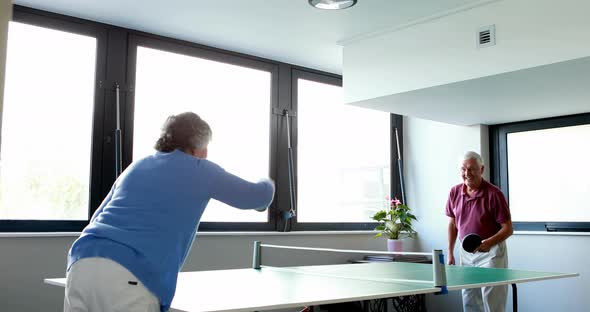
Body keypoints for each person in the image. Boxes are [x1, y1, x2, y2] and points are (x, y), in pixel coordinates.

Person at [64, 112, 275, 312]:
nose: (207, 154)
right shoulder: (201, 170)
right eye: (206, 147)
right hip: (128, 276)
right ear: (196, 147)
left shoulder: (136, 167)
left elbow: (96, 218)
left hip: (82, 264)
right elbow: (258, 196)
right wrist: (267, 181)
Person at [446, 151, 513, 312]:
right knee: (469, 298)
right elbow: (453, 223)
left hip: (491, 251)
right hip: (466, 252)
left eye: (472, 169)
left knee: (493, 300)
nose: (467, 173)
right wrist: (450, 252)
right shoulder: (454, 192)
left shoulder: (494, 194)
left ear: (481, 169)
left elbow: (508, 229)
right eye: (463, 169)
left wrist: (488, 242)